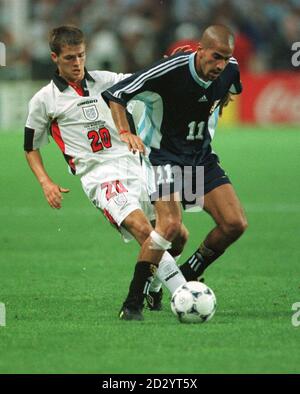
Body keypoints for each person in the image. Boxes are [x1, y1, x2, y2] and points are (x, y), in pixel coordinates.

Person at [23, 25, 189, 321]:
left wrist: (174, 65)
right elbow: (31, 147)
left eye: (81, 56)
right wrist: (45, 182)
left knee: (177, 236)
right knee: (144, 232)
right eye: (70, 57)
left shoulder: (107, 81)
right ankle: (182, 293)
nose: (77, 63)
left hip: (137, 166)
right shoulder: (44, 100)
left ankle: (152, 285)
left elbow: (144, 82)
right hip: (100, 177)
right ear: (54, 57)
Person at [102, 24, 248, 309]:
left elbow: (231, 89)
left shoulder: (230, 68)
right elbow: (115, 95)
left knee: (234, 223)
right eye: (215, 56)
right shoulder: (168, 71)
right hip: (164, 157)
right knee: (170, 226)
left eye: (225, 57)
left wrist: (215, 102)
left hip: (201, 158)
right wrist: (125, 132)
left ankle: (187, 276)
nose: (221, 64)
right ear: (200, 49)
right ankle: (132, 302)